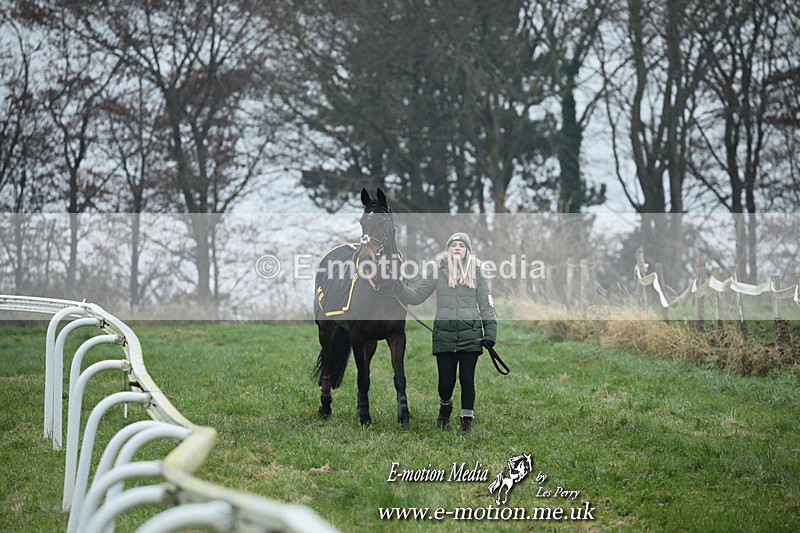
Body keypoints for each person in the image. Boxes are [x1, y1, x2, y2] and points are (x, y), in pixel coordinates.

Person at [385, 232, 497, 434]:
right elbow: (417, 296)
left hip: (471, 336)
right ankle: (445, 406)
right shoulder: (437, 272)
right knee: (445, 383)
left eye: (461, 245)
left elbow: (486, 306)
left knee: (467, 380)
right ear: (448, 250)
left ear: (467, 250)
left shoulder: (477, 274)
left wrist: (490, 333)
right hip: (444, 336)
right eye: (453, 245)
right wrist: (399, 288)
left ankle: (466, 420)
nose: (457, 248)